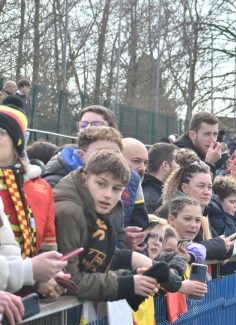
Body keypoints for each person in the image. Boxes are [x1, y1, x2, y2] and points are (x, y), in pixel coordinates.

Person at [53, 150, 159, 302]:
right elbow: (70, 280)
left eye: (116, 188)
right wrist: (127, 284)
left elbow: (100, 258)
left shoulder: (97, 205)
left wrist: (131, 276)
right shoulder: (70, 211)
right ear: (84, 178)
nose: (108, 194)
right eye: (101, 184)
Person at [0, 104, 64, 298]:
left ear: (17, 144)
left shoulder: (42, 188)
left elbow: (47, 244)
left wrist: (52, 275)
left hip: (28, 299)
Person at [142, 143, 178, 214]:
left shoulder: (158, 194)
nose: (182, 167)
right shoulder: (152, 201)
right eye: (178, 162)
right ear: (165, 165)